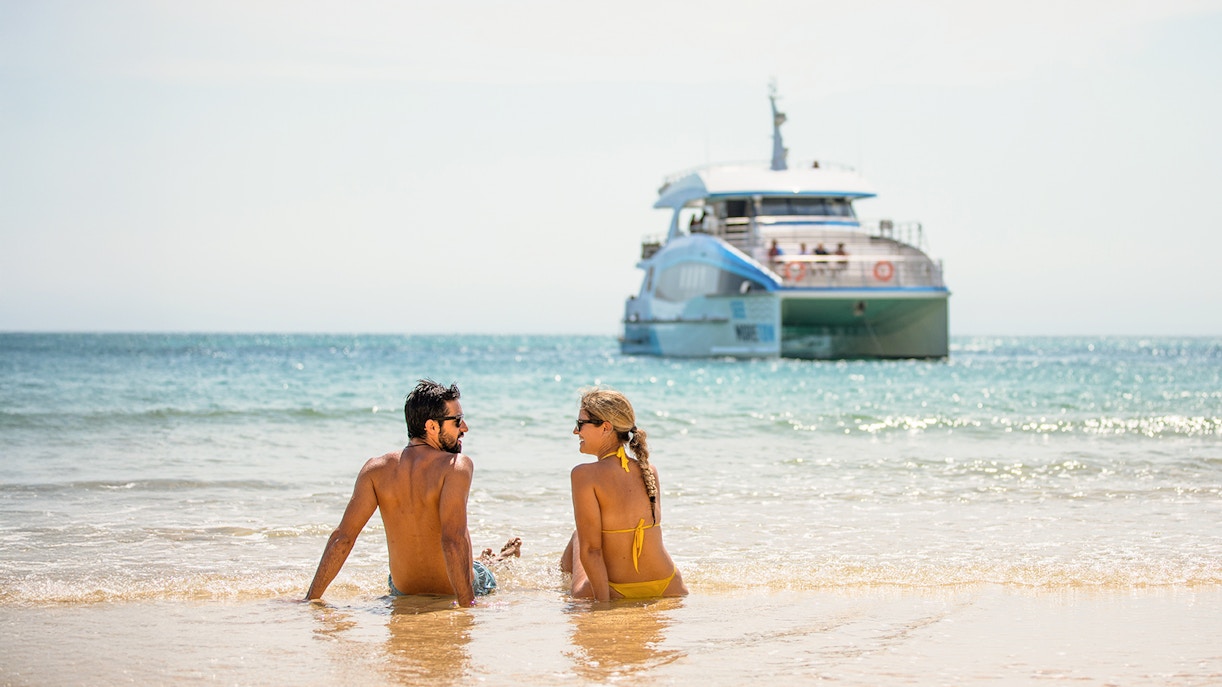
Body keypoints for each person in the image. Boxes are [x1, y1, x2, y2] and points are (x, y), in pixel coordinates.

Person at [305, 379, 520, 606]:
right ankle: (495, 560)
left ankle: (486, 560)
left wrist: (310, 599)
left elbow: (343, 538)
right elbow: (452, 540)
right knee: (482, 571)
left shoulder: (374, 469)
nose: (464, 428)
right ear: (432, 426)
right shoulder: (456, 466)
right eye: (457, 421)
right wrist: (468, 606)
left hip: (402, 590)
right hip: (456, 589)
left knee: (457, 560)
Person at [560, 388, 687, 601]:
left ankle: (553, 582)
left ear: (606, 428)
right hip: (669, 586)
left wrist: (603, 606)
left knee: (579, 538)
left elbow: (592, 551)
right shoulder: (649, 470)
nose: (575, 431)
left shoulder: (584, 475)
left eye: (581, 424)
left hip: (617, 589)